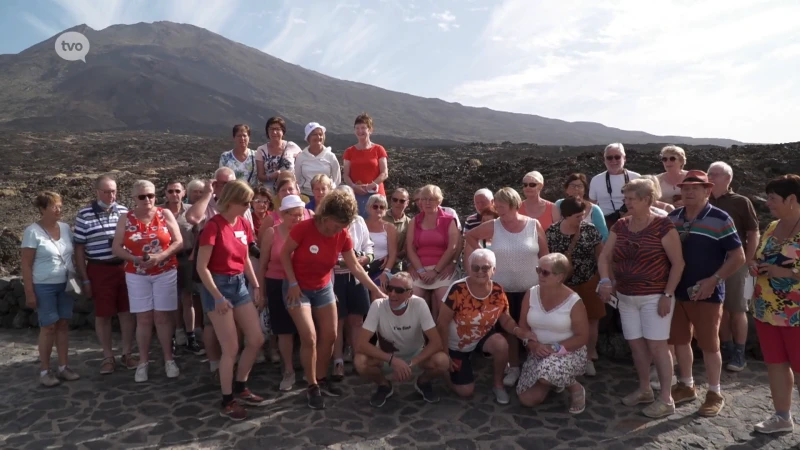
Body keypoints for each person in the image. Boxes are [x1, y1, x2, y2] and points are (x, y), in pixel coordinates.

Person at [280, 189, 383, 410]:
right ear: (325, 216)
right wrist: (292, 283)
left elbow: (355, 266)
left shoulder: (342, 235)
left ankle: (322, 378)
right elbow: (284, 254)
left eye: (342, 227)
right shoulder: (303, 228)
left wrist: (375, 290)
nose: (337, 230)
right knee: (309, 336)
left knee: (331, 335)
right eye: (335, 225)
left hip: (324, 287)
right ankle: (312, 386)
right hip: (298, 288)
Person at [598, 178, 684, 418]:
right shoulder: (621, 226)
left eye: (631, 199)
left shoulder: (663, 226)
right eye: (625, 198)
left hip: (654, 297)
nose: (627, 203)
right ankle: (645, 389)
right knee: (636, 346)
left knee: (658, 347)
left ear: (647, 200)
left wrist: (667, 294)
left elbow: (678, 263)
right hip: (626, 297)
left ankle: (666, 399)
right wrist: (605, 281)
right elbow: (605, 257)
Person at [667, 170, 745, 417]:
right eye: (685, 187)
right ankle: (687, 385)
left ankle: (714, 392)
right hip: (677, 291)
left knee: (710, 345)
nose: (689, 192)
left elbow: (738, 256)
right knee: (679, 340)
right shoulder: (673, 218)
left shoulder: (720, 218)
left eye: (695, 188)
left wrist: (715, 280)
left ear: (707, 191)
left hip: (707, 293)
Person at [196, 180, 267, 421]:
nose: (249, 206)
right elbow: (201, 267)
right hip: (218, 286)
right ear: (232, 201)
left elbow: (245, 256)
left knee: (256, 338)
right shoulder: (213, 226)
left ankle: (241, 385)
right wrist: (217, 297)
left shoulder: (243, 223)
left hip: (238, 284)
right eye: (246, 202)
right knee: (231, 348)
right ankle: (227, 400)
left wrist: (255, 283)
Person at [465, 187, 549, 387]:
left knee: (531, 326)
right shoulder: (494, 226)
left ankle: (534, 364)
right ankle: (513, 367)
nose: (499, 210)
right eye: (497, 206)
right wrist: (486, 257)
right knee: (510, 330)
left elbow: (545, 255)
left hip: (531, 288)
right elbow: (469, 236)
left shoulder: (533, 224)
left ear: (514, 205)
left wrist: (547, 280)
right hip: (502, 288)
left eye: (502, 206)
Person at [437, 249, 533, 404]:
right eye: (475, 267)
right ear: (469, 268)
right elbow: (442, 323)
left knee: (501, 343)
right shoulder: (458, 289)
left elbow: (505, 319)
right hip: (456, 345)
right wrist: (445, 353)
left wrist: (519, 331)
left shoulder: (497, 290)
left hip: (481, 336)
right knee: (465, 391)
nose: (480, 271)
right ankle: (447, 374)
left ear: (493, 270)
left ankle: (498, 384)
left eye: (485, 268)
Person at [112, 180, 183, 383]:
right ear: (134, 198)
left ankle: (168, 359)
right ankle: (143, 362)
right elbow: (116, 247)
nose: (147, 200)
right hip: (136, 273)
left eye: (151, 195)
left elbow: (178, 241)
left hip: (165, 271)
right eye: (142, 196)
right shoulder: (126, 218)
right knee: (143, 318)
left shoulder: (164, 214)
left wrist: (160, 257)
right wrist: (133, 259)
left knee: (162, 317)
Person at [354, 272, 450, 407]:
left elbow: (437, 343)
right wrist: (392, 360)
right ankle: (384, 385)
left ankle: (422, 382)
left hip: (415, 357)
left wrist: (410, 363)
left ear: (410, 294)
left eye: (399, 290)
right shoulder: (378, 305)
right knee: (360, 362)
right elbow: (361, 345)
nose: (392, 294)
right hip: (386, 357)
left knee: (443, 361)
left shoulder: (419, 304)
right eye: (389, 288)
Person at [750, 174, 800, 434]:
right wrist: (755, 266)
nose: (767, 203)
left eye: (772, 198)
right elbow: (761, 255)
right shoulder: (772, 227)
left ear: (792, 199)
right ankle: (782, 418)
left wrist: (788, 274)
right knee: (776, 364)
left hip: (796, 314)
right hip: (766, 309)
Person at [73, 175, 138, 374]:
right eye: (107, 191)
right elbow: (79, 249)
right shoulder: (84, 214)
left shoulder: (125, 212)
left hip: (123, 268)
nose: (111, 195)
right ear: (97, 192)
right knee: (103, 314)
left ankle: (127, 353)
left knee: (127, 312)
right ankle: (107, 356)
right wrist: (84, 278)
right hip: (99, 269)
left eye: (114, 191)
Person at [516, 253, 589, 414]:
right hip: (538, 351)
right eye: (538, 270)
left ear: (560, 276)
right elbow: (522, 325)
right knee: (526, 399)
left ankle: (574, 387)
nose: (540, 275)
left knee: (545, 375)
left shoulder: (573, 301)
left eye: (545, 272)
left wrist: (554, 348)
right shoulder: (531, 293)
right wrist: (533, 344)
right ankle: (554, 380)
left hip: (567, 352)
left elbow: (582, 337)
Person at [21, 192, 81, 386]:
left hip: (65, 284)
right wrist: (30, 292)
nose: (59, 209)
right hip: (44, 285)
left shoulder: (65, 228)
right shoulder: (32, 231)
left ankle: (64, 367)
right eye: (54, 206)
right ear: (42, 209)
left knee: (63, 324)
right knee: (48, 327)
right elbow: (26, 265)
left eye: (60, 205)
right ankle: (45, 370)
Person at [708, 161, 760, 372]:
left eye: (715, 175)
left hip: (735, 262)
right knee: (719, 310)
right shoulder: (704, 200)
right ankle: (726, 349)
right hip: (710, 263)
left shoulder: (741, 202)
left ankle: (739, 353)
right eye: (709, 173)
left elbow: (753, 232)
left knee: (737, 309)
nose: (710, 177)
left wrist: (747, 260)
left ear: (728, 178)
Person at [545, 197, 604, 376]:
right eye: (577, 216)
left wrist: (605, 280)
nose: (581, 219)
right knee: (563, 322)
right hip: (563, 285)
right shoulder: (552, 232)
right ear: (565, 216)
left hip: (588, 281)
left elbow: (600, 256)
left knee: (592, 320)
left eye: (583, 215)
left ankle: (587, 358)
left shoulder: (590, 230)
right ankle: (566, 356)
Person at [259, 195, 305, 391]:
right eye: (293, 215)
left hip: (301, 284)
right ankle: (288, 370)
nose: (297, 219)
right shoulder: (272, 233)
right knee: (284, 330)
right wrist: (261, 293)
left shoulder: (305, 232)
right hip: (277, 282)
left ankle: (308, 368)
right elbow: (262, 265)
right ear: (283, 215)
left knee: (305, 330)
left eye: (300, 215)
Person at [331, 185, 375, 382]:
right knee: (338, 322)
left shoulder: (358, 221)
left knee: (357, 320)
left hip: (357, 276)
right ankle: (338, 361)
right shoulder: (330, 222)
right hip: (336, 277)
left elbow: (368, 246)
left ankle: (358, 358)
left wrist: (367, 258)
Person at [406, 185, 460, 321]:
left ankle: (441, 338)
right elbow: (410, 247)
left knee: (444, 302)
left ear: (439, 201)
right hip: (420, 270)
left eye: (431, 199)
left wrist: (435, 271)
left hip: (442, 269)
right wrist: (420, 270)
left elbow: (452, 248)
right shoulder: (414, 221)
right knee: (409, 300)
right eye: (424, 199)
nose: (427, 203)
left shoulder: (449, 220)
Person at [163, 180, 204, 356]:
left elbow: (198, 234)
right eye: (170, 191)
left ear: (183, 192)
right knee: (169, 299)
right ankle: (174, 334)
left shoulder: (190, 211)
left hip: (187, 258)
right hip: (166, 259)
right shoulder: (159, 212)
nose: (174, 194)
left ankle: (190, 336)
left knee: (187, 298)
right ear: (165, 193)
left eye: (177, 191)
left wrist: (195, 256)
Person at [343, 113, 389, 216]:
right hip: (356, 195)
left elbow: (384, 173)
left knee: (376, 224)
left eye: (363, 128)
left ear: (370, 130)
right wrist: (354, 187)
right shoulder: (349, 152)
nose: (360, 131)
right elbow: (346, 175)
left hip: (376, 196)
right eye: (357, 128)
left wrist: (371, 186)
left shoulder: (379, 149)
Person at [589, 143, 642, 227]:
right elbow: (592, 206)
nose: (613, 161)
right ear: (604, 160)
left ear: (624, 158)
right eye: (609, 158)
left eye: (617, 157)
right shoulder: (596, 180)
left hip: (633, 221)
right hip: (605, 223)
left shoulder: (636, 178)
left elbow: (643, 203)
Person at [552, 173, 609, 241]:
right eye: (572, 186)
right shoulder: (558, 204)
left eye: (580, 186)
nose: (576, 189)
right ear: (566, 189)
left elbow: (604, 235)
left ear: (585, 190)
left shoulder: (594, 209)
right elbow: (553, 227)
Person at [294, 122, 341, 198]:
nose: (318, 137)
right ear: (308, 138)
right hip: (306, 195)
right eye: (314, 134)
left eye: (320, 134)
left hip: (326, 196)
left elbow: (337, 179)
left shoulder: (330, 156)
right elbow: (297, 179)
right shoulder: (301, 157)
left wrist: (330, 191)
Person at [255, 116, 303, 189]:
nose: (274, 132)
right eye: (271, 129)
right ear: (267, 131)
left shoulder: (292, 146)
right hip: (269, 193)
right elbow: (260, 176)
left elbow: (303, 165)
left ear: (283, 131)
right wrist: (271, 176)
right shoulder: (261, 150)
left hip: (289, 190)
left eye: (277, 129)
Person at [365, 194, 398, 288]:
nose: (378, 209)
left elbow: (393, 254)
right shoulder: (362, 225)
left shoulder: (390, 227)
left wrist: (386, 272)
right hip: (362, 267)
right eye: (375, 206)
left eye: (382, 207)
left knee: (379, 290)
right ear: (368, 208)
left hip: (381, 268)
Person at [385, 188, 411, 271]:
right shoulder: (380, 216)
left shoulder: (410, 223)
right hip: (376, 260)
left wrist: (392, 258)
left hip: (396, 263)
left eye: (402, 201)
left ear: (407, 203)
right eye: (395, 200)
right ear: (391, 201)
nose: (397, 203)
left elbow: (407, 249)